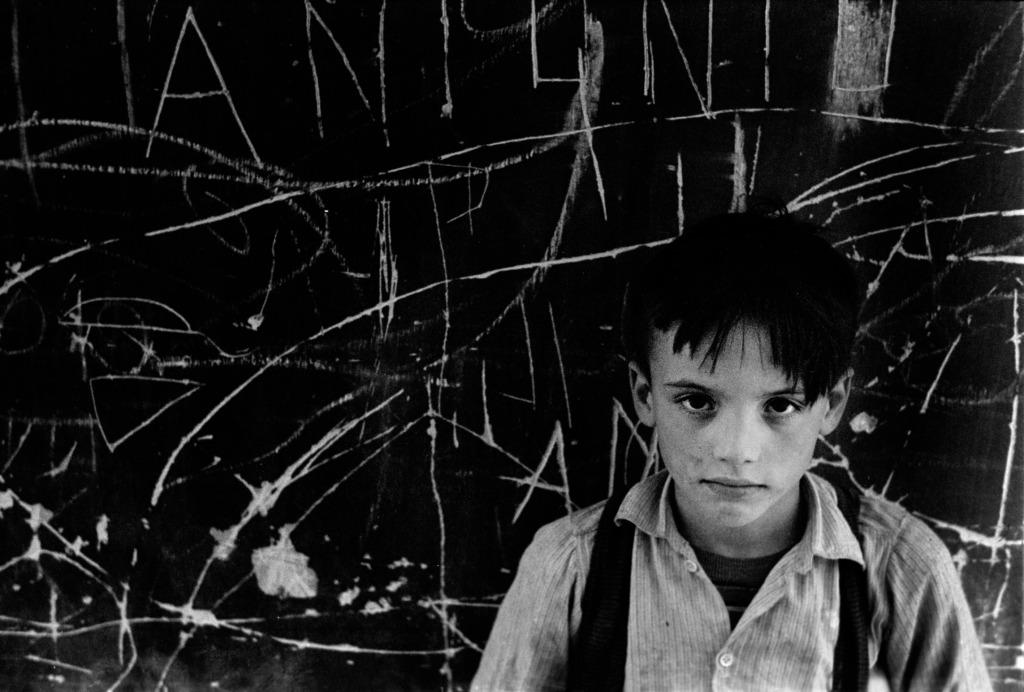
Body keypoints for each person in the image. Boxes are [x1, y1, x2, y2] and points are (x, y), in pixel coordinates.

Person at [471, 213, 991, 691]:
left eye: (780, 405)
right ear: (645, 394)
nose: (736, 451)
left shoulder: (898, 568)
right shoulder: (571, 567)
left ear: (831, 404)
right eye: (698, 401)